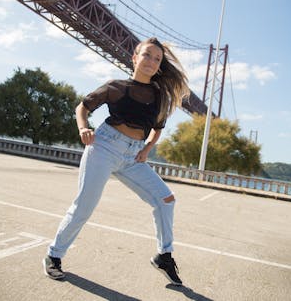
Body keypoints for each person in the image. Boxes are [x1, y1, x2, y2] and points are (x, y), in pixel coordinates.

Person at [43, 37, 190, 286]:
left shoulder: (160, 96)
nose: (151, 62)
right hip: (104, 147)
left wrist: (148, 148)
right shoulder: (116, 87)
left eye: (157, 59)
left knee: (166, 200)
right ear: (134, 57)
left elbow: (158, 128)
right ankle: (53, 256)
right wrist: (83, 128)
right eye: (147, 55)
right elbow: (83, 107)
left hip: (133, 157)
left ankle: (164, 256)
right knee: (84, 207)